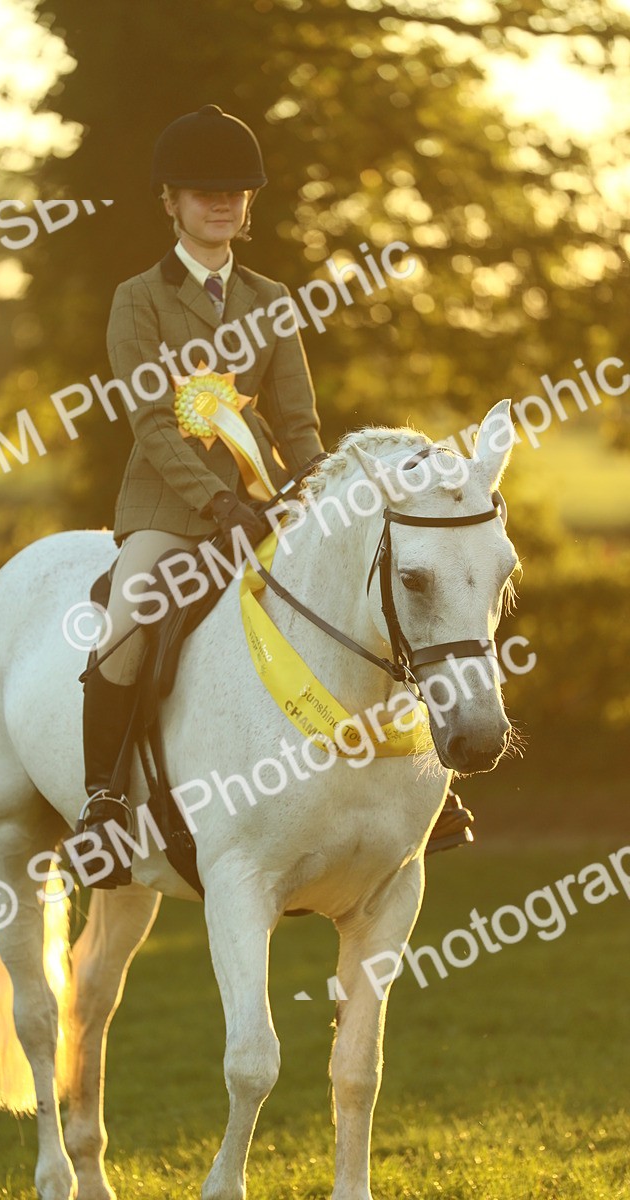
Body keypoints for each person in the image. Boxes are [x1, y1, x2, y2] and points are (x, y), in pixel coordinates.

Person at [77, 104, 473, 888]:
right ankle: (102, 806)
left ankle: (434, 787)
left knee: (376, 599)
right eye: (202, 191)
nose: (220, 203)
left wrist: (318, 498)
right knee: (126, 621)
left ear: (249, 203)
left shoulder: (272, 298)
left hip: (269, 507)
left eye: (234, 192)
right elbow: (153, 423)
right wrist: (218, 504)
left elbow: (299, 423)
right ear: (172, 201)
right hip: (169, 514)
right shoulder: (138, 299)